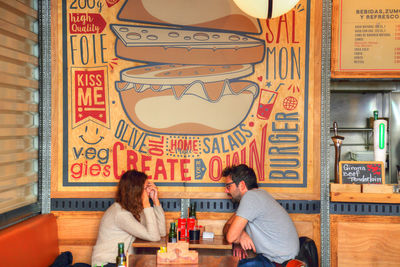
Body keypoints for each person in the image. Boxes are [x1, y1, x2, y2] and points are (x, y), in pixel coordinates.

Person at [222, 164, 299, 267]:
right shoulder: (258, 196)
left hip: (281, 263)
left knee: (228, 264)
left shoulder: (251, 198)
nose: (226, 191)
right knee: (232, 263)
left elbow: (230, 237)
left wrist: (238, 235)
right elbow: (227, 226)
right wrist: (241, 235)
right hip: (272, 259)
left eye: (228, 186)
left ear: (242, 185)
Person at [91, 170, 166, 267]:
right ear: (136, 190)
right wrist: (147, 204)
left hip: (122, 262)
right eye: (146, 187)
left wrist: (156, 201)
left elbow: (161, 232)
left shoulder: (134, 209)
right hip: (107, 263)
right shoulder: (120, 213)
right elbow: (154, 237)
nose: (149, 191)